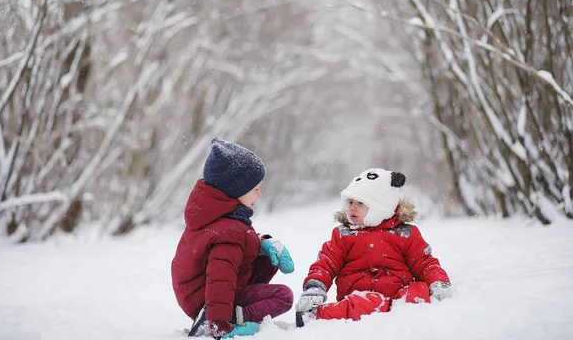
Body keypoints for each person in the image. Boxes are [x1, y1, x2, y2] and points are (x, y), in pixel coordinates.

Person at [171, 137, 294, 338]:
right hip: (209, 302)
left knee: (266, 261)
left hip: (199, 295)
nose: (260, 194)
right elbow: (220, 278)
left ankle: (220, 313)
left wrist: (264, 244)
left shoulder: (213, 212)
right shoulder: (229, 230)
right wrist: (218, 324)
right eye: (255, 189)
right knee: (284, 296)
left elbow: (231, 254)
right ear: (236, 191)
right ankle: (234, 318)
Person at [295, 168, 451, 322]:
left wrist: (438, 281)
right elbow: (326, 264)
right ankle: (315, 316)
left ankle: (403, 313)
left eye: (360, 203)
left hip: (398, 294)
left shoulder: (405, 233)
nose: (352, 208)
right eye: (350, 202)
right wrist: (315, 287)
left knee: (419, 292)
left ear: (380, 206)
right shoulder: (344, 235)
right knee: (364, 304)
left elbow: (424, 262)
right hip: (360, 296)